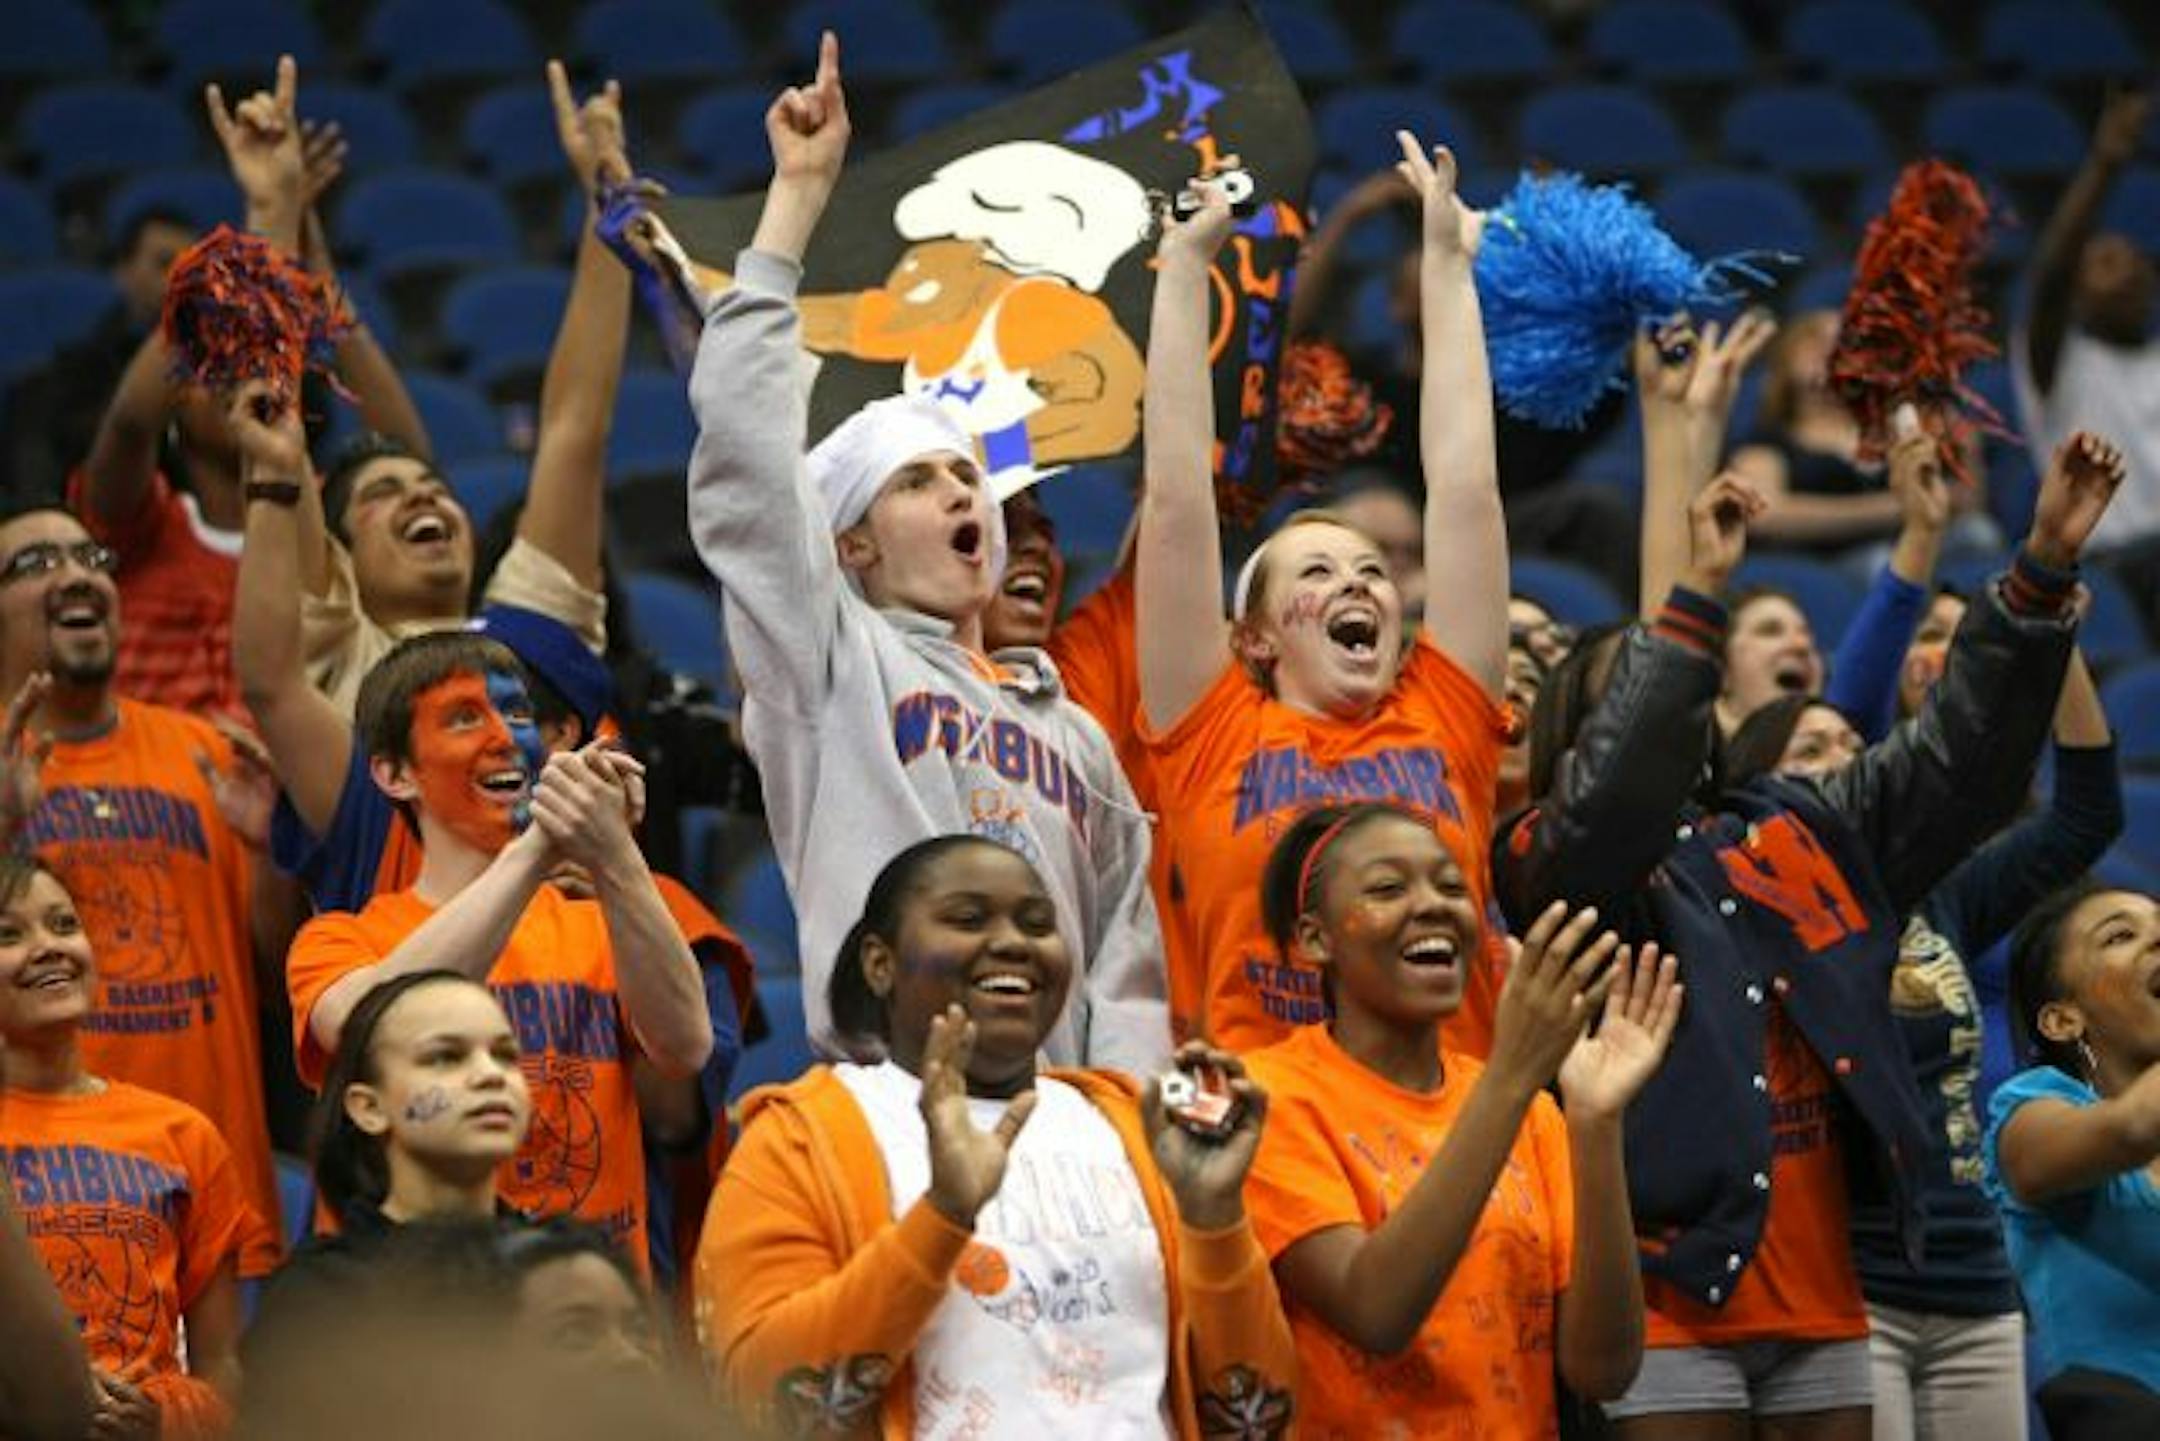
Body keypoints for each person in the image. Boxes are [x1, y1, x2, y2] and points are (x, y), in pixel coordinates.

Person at [1499, 424, 2122, 1438]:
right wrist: (1695, 606)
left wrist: (2041, 573)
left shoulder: (1791, 823)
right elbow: (1611, 799)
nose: (1679, 692)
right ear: (1581, 724)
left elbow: (1957, 764)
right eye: (1652, 676)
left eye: (1689, 676)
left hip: (1830, 1293)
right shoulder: (1548, 853)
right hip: (1664, 1299)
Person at [685, 34, 1166, 1070]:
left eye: (965, 478)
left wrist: (1127, 1117)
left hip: (1066, 1121)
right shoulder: (827, 660)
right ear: (849, 542)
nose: (960, 491)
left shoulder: (1076, 731)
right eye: (917, 479)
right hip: (895, 1094)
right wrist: (794, 206)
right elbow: (745, 457)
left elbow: (1126, 958)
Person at [695, 834, 1297, 1437]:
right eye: (967, 918)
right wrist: (944, 1215)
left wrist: (1215, 1221)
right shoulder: (801, 1136)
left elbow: (1262, 1419)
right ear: (881, 963)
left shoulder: (1132, 1125)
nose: (1013, 942)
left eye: (1038, 924)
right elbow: (761, 1399)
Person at [1137, 131, 1513, 1056]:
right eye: (1316, 571)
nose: (1357, 583)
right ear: (1254, 639)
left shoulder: (1444, 713)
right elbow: (1179, 499)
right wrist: (1183, 272)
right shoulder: (1212, 729)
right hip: (1267, 1131)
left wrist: (1447, 269)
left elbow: (1464, 491)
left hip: (1452, 1124)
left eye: (1373, 573)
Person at [1725, 649, 2123, 1441]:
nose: (1843, 756)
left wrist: (2062, 636)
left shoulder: (1938, 893)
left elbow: (2085, 814)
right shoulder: (1743, 909)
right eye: (1810, 749)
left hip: (1973, 1273)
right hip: (1848, 1281)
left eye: (1851, 742)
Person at [1243, 802, 1681, 1439]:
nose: (1434, 904)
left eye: (1451, 886)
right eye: (1389, 888)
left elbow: (1602, 1371)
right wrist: (1511, 1075)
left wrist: (1594, 1122)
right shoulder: (1269, 1096)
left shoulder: (1531, 1110)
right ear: (1316, 938)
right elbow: (1376, 1312)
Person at [283, 628, 712, 1266]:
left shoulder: (600, 920)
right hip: (428, 1322)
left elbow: (685, 1046)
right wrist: (538, 845)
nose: (507, 737)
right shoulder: (340, 941)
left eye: (517, 714)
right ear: (394, 773)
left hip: (592, 1326)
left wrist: (614, 851)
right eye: (464, 718)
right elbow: (379, 1026)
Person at [73, 56, 424, 725]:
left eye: (247, 367)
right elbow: (125, 425)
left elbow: (404, 451)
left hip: (293, 808)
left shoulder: (316, 521)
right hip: (162, 810)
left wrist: (307, 259)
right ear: (176, 404)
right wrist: (265, 223)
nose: (235, 380)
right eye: (212, 371)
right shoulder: (141, 521)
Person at [293, 60, 638, 718]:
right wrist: (274, 223)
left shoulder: (533, 626)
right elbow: (272, 454)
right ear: (339, 561)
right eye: (381, 492)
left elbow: (575, 426)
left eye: (431, 486)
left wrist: (607, 200)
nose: (422, 491)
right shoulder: (338, 659)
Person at [0, 504, 285, 1269]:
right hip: (44, 1215)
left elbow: (277, 971)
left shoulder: (208, 754)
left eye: (92, 557)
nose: (75, 574)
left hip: (215, 1197)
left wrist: (274, 854)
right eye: (35, 564)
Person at [0, 855, 273, 1439]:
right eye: (9, 935)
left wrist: (162, 1419)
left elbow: (221, 1369)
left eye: (64, 925)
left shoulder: (183, 1134)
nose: (48, 947)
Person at [1985, 882, 2160, 1438]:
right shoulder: (2027, 1109)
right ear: (2064, 1020)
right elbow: (2133, 1128)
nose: (2157, 940)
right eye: (2121, 936)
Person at [2014, 88, 2160, 633]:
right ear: (2076, 292)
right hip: (2110, 567)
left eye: (2132, 260)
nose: (2122, 268)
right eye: (2101, 261)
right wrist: (2104, 165)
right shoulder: (2057, 358)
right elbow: (2050, 270)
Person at [1727, 311, 1996, 580]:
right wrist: (1897, 508)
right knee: (1881, 565)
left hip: (1916, 543)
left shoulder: (1897, 424)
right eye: (1813, 340)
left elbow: (1966, 500)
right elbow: (1763, 514)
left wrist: (1966, 451)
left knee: (1978, 533)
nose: (1829, 349)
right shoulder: (1771, 439)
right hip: (1828, 564)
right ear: (1786, 359)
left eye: (1844, 342)